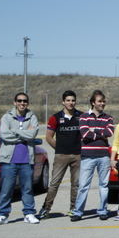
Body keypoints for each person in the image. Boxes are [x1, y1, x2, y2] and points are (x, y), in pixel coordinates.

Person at [0, 93, 40, 226]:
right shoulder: (6, 117)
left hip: (26, 161)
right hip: (9, 161)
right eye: (19, 101)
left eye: (25, 101)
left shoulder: (32, 117)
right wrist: (24, 134)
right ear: (14, 102)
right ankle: (2, 215)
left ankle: (29, 213)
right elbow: (5, 135)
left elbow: (33, 134)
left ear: (27, 103)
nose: (22, 103)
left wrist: (15, 131)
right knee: (6, 189)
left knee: (27, 189)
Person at [37, 90, 82, 220]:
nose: (70, 103)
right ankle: (46, 209)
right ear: (63, 102)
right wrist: (60, 148)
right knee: (54, 183)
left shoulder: (81, 116)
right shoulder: (55, 117)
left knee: (76, 184)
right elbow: (48, 137)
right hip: (61, 155)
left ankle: (73, 208)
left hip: (78, 156)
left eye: (73, 100)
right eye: (68, 100)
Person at [71, 90, 114, 222]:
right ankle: (78, 212)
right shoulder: (84, 117)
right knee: (83, 185)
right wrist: (100, 133)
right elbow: (84, 134)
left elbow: (110, 132)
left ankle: (102, 210)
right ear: (93, 103)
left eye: (103, 101)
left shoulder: (108, 117)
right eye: (100, 101)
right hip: (87, 156)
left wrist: (93, 131)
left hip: (103, 156)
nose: (102, 103)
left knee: (104, 185)